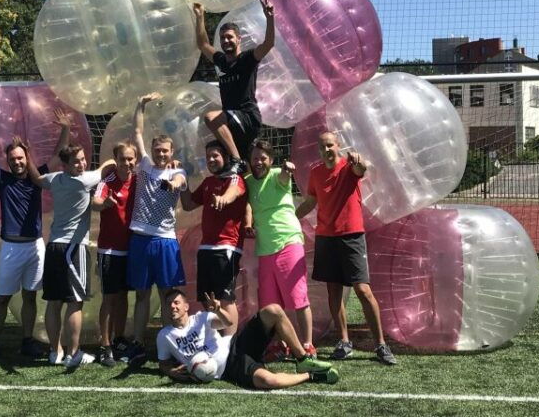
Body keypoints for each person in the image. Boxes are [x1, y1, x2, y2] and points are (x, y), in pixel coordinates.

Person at [0, 108, 69, 361]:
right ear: (8, 161)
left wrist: (65, 129)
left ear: (26, 158)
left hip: (35, 247)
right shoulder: (1, 178)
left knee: (30, 296)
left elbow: (57, 157)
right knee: (3, 298)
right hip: (11, 249)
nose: (17, 162)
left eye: (20, 158)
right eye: (13, 159)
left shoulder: (37, 177)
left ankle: (27, 341)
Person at [295, 131, 397, 365]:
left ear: (338, 146)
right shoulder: (316, 172)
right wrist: (290, 217)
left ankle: (380, 344)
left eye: (330, 145)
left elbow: (361, 170)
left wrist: (359, 162)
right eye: (322, 147)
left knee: (363, 290)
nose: (327, 150)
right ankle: (344, 342)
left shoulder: (348, 167)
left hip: (351, 236)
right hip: (326, 238)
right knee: (334, 292)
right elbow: (311, 201)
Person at [25, 132, 115, 368]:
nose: (83, 164)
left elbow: (36, 178)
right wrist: (112, 161)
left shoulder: (55, 179)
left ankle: (55, 352)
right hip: (73, 248)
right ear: (65, 166)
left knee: (54, 302)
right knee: (75, 302)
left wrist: (28, 157)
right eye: (77, 161)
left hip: (53, 246)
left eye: (84, 159)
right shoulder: (84, 180)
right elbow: (105, 169)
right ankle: (73, 353)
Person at [157, 289, 338, 389]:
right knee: (269, 381)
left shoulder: (202, 318)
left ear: (186, 306)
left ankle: (302, 359)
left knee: (273, 310)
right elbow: (163, 363)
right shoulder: (164, 336)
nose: (172, 306)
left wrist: (218, 309)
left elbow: (228, 321)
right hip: (231, 368)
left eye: (176, 302)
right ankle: (311, 376)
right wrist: (170, 372)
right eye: (169, 304)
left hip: (236, 344)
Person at [124, 92, 188, 367]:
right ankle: (138, 344)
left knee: (167, 295)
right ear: (152, 151)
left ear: (172, 153)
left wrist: (173, 183)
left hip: (164, 241)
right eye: (158, 150)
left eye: (166, 152)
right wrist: (141, 104)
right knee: (141, 295)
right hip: (140, 238)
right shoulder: (146, 165)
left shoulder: (177, 172)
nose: (161, 155)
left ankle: (168, 344)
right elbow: (137, 130)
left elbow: (179, 183)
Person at [243, 139, 317, 360]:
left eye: (263, 158)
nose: (258, 162)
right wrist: (248, 225)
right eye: (255, 158)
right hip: (264, 249)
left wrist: (287, 169)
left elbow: (285, 176)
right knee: (270, 304)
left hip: (288, 242)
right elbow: (247, 205)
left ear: (271, 160)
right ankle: (279, 344)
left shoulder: (277, 174)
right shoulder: (247, 181)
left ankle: (308, 344)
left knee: (298, 298)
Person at [193, 0, 275, 174]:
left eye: (229, 37)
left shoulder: (247, 58)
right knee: (242, 174)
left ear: (239, 39)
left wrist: (270, 18)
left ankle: (237, 160)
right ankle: (239, 164)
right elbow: (202, 43)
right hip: (232, 122)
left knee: (210, 117)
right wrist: (200, 16)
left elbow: (268, 44)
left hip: (247, 116)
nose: (225, 41)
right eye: (223, 38)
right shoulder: (221, 61)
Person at [180, 140, 248, 336]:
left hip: (226, 248)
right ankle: (215, 340)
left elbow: (232, 194)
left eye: (215, 155)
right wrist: (182, 180)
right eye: (208, 156)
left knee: (226, 299)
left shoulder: (234, 178)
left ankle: (229, 344)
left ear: (225, 158)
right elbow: (188, 205)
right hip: (206, 249)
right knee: (208, 299)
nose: (211, 159)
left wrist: (222, 199)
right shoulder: (209, 182)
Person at [91, 140, 138, 367]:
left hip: (131, 250)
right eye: (122, 159)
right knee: (109, 298)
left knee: (123, 297)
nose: (127, 163)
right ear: (116, 160)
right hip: (109, 250)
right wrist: (103, 203)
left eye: (130, 159)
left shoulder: (139, 180)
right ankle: (105, 346)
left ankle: (119, 339)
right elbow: (96, 201)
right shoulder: (108, 182)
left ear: (135, 160)